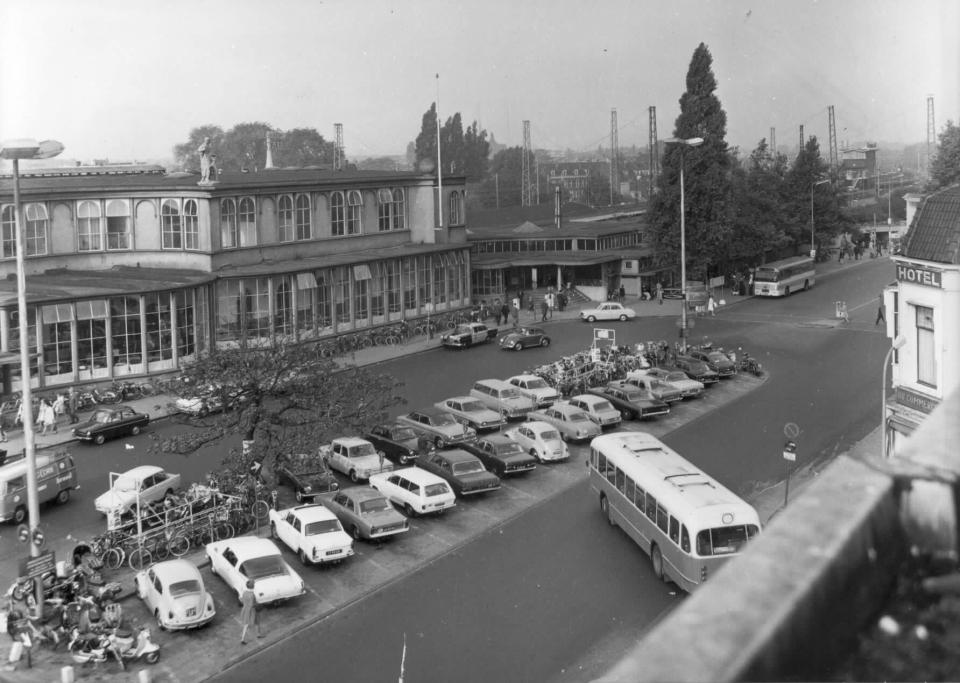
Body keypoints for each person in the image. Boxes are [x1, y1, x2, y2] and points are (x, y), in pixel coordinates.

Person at [239, 579, 262, 643]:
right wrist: (257, 603)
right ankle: (258, 634)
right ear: (252, 586)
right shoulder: (252, 595)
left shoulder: (244, 592)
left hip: (245, 610)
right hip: (252, 611)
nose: (254, 585)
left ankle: (242, 639)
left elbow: (242, 600)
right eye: (253, 584)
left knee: (246, 624)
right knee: (257, 622)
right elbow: (252, 604)